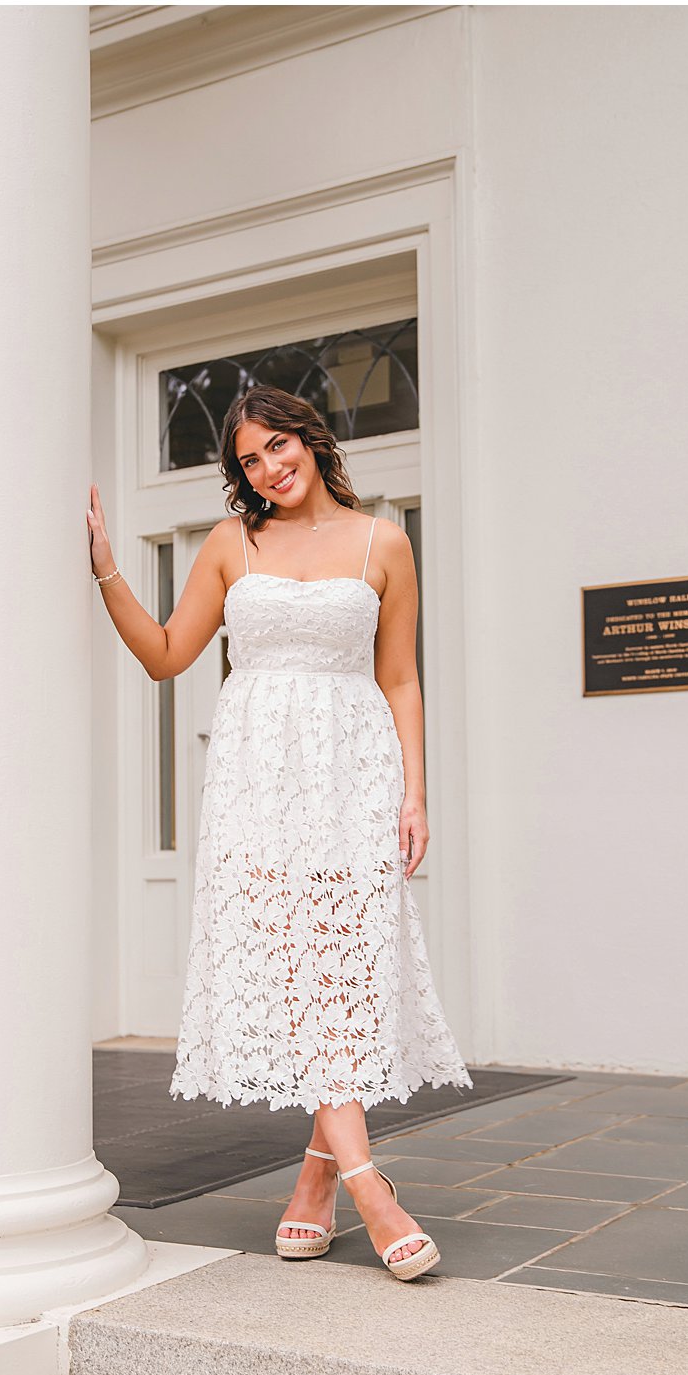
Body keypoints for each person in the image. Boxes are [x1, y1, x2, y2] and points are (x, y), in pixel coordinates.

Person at [84, 383, 472, 1282]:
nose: (269, 468)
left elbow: (402, 679)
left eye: (278, 446)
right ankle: (371, 1188)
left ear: (311, 438)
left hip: (353, 771)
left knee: (341, 969)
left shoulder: (385, 543)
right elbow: (166, 654)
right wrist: (105, 565)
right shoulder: (233, 543)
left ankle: (315, 1180)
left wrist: (415, 793)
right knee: (297, 973)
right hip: (256, 780)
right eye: (249, 460)